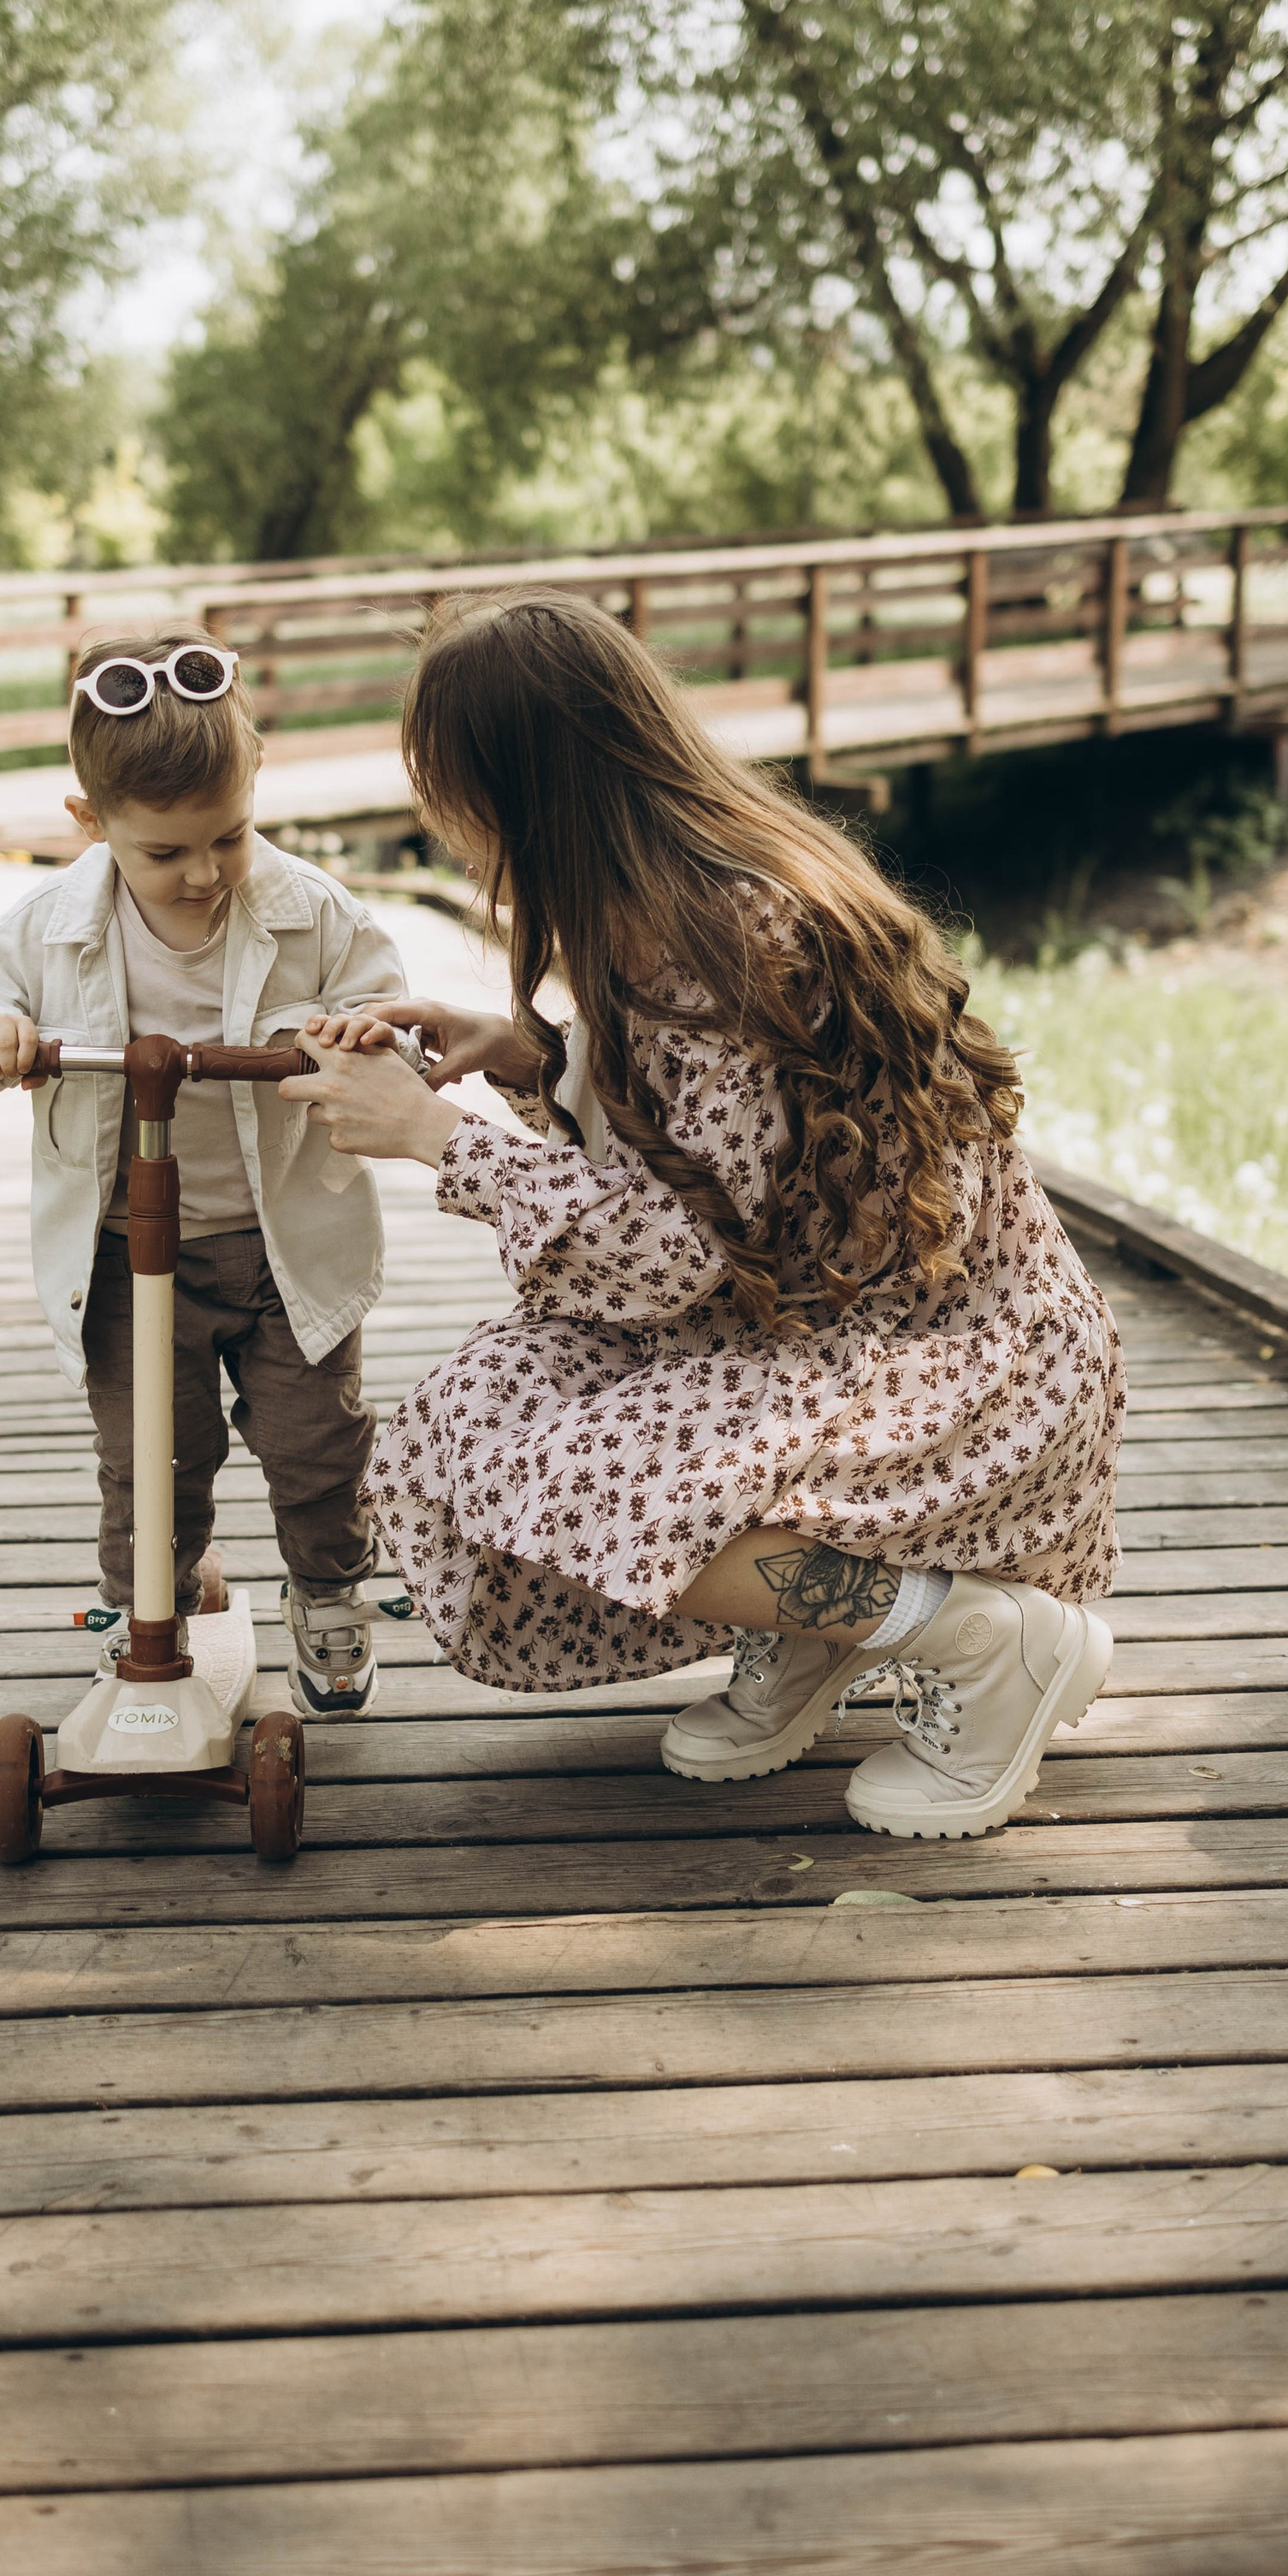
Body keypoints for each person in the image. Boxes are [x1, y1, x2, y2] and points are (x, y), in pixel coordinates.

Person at [280, 591, 1126, 1839]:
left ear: (525, 789)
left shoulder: (735, 935)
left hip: (953, 1364)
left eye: (445, 782)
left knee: (570, 1472)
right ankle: (822, 1623)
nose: (437, 817)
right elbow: (724, 1164)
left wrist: (436, 1138)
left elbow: (680, 1246)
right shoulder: (675, 900)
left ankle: (982, 1640)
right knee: (480, 1418)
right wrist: (532, 1057)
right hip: (829, 1325)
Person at [0, 628, 407, 1718]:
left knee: (318, 1445)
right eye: (164, 854)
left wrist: (362, 1030)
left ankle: (330, 1592)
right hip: (128, 1253)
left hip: (290, 1248)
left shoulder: (312, 913)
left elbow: (392, 1006)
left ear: (256, 785)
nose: (201, 874)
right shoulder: (48, 929)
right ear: (91, 826)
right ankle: (151, 1605)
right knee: (151, 1460)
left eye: (228, 839)